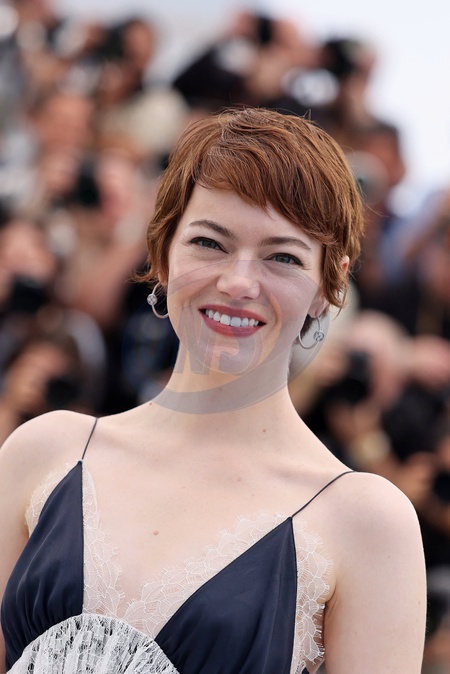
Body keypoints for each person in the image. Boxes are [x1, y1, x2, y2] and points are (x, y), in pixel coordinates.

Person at [0, 108, 426, 673]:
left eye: (282, 257)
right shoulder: (43, 452)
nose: (238, 282)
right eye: (209, 242)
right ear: (162, 252)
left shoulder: (366, 523)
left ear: (329, 284)